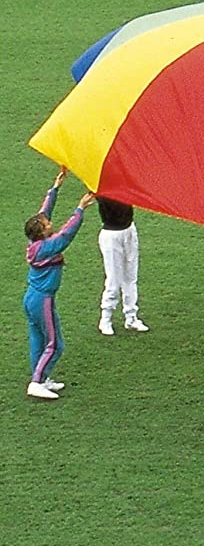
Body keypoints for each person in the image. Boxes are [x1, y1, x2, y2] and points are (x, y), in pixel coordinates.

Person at [24, 168, 94, 400]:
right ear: (42, 233)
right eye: (46, 225)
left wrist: (56, 187)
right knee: (55, 344)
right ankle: (36, 383)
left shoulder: (34, 243)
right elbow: (66, 235)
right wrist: (80, 208)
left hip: (32, 299)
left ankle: (41, 377)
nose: (49, 223)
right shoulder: (47, 248)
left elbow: (44, 211)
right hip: (42, 300)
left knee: (38, 339)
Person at [96, 197, 149, 335]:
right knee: (114, 280)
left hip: (129, 230)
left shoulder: (124, 184)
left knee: (131, 277)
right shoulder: (102, 188)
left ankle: (131, 317)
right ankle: (105, 319)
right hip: (111, 235)